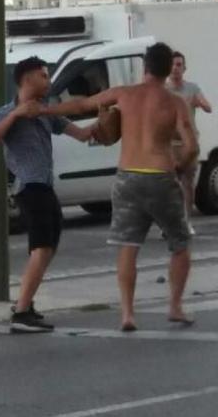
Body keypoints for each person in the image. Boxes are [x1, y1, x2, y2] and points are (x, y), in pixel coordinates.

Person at [37, 43, 199, 332]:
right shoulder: (175, 103)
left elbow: (81, 105)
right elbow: (191, 146)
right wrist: (180, 166)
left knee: (128, 246)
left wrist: (44, 109)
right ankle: (174, 306)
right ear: (166, 70)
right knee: (180, 243)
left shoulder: (124, 94)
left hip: (128, 176)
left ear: (145, 67)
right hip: (161, 175)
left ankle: (127, 313)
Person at [0, 57, 95, 333]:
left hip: (45, 184)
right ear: (27, 79)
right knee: (42, 246)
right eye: (43, 76)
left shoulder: (47, 113)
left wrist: (103, 125)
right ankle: (21, 312)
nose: (48, 81)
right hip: (29, 186)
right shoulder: (6, 112)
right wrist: (16, 115)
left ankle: (25, 303)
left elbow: (80, 134)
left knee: (47, 246)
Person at [168, 51, 212, 235]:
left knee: (187, 183)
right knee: (169, 185)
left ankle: (186, 221)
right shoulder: (164, 90)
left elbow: (208, 107)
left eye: (179, 65)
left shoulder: (192, 88)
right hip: (170, 144)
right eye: (173, 65)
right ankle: (170, 223)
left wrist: (199, 103)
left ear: (184, 68)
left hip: (189, 143)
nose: (176, 68)